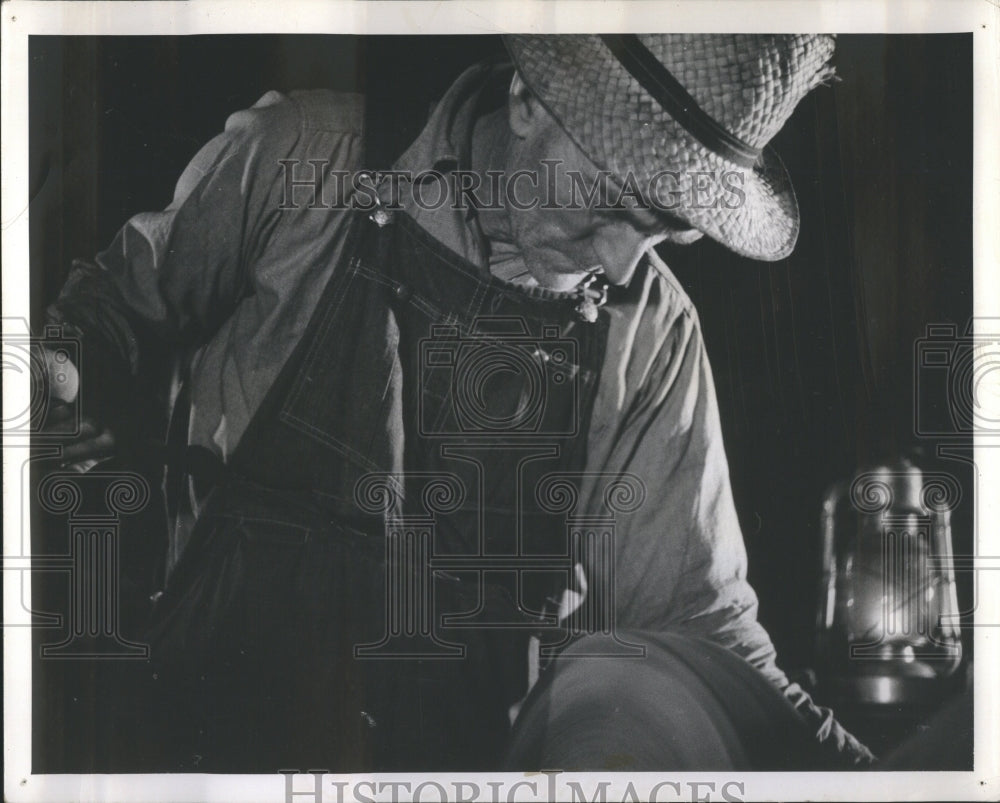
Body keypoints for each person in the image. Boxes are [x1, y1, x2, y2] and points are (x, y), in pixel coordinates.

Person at [43, 34, 875, 770]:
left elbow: (700, 633)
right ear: (525, 100)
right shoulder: (302, 160)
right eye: (613, 202)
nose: (624, 266)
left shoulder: (653, 336)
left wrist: (880, 782)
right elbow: (108, 313)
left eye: (662, 230)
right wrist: (72, 380)